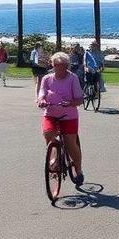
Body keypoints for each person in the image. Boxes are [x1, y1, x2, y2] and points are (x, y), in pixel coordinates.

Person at [37, 52, 85, 186]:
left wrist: (70, 103)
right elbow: (42, 92)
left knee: (70, 143)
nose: (59, 68)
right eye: (56, 65)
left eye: (62, 65)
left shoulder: (73, 78)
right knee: (48, 134)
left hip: (68, 115)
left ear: (67, 66)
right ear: (52, 65)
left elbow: (79, 99)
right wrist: (41, 100)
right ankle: (54, 160)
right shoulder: (47, 78)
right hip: (51, 113)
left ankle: (78, 170)